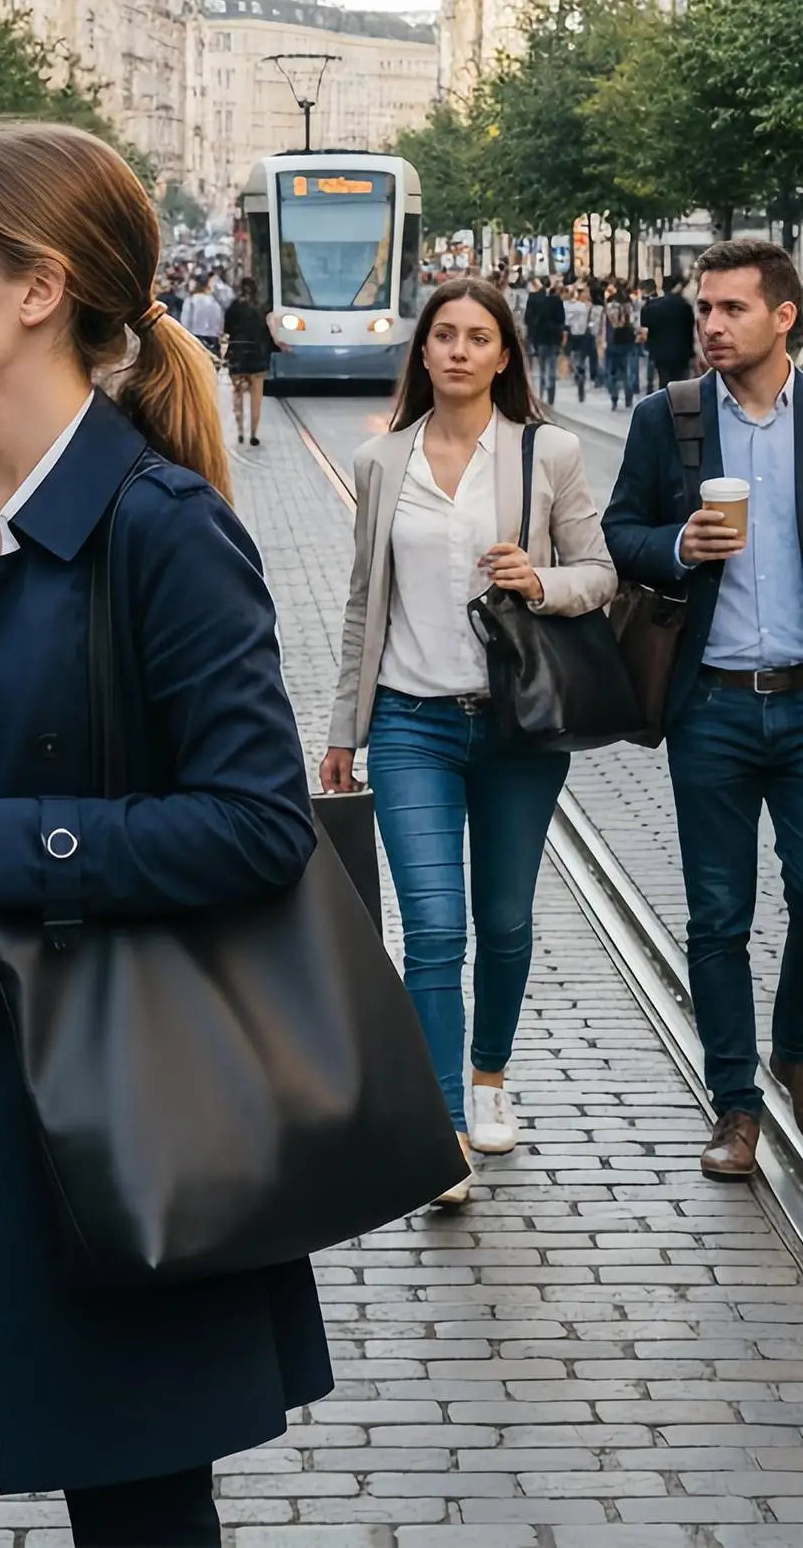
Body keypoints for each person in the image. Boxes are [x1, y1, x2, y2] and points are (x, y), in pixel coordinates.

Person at [0, 118, 331, 1548]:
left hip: (108, 1104)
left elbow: (258, 825)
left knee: (142, 1524)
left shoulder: (157, 528)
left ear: (37, 290)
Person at [322, 276, 616, 1203]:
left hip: (519, 726)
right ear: (422, 352)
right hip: (412, 720)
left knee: (506, 921)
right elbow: (365, 602)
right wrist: (343, 727)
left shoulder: (547, 452)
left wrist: (538, 581)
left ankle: (489, 1077)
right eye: (441, 335)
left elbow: (600, 575)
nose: (455, 350)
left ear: (502, 354)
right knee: (435, 929)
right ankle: (443, 1124)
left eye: (475, 337)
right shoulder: (383, 462)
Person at [603, 239, 803, 1179]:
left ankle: (793, 1052)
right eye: (705, 307)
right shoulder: (669, 419)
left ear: (783, 317)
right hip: (711, 707)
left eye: (730, 309)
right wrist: (677, 543)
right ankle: (735, 1106)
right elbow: (619, 533)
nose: (710, 325)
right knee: (719, 915)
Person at [222, 275, 274, 446]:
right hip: (257, 357)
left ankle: (240, 432)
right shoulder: (262, 309)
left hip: (237, 354)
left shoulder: (233, 307)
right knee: (256, 398)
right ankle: (253, 434)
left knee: (237, 394)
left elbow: (226, 329)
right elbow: (268, 334)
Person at [641, 273, 697, 390]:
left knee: (663, 380)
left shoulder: (652, 306)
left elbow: (645, 326)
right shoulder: (685, 306)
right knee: (680, 383)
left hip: (659, 352)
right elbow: (691, 328)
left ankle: (665, 404)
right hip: (682, 352)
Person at [523, 276, 564, 403]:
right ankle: (551, 391)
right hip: (553, 337)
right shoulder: (557, 301)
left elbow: (528, 319)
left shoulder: (533, 299)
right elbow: (562, 319)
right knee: (552, 364)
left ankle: (541, 391)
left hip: (540, 337)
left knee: (541, 365)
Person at [604, 283, 638, 412]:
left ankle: (614, 397)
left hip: (613, 341)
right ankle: (628, 397)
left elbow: (606, 325)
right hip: (628, 341)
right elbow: (635, 323)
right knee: (626, 371)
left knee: (612, 371)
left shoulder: (609, 307)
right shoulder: (630, 306)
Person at [180, 274, 223, 357]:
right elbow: (219, 323)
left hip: (194, 339)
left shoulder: (190, 301)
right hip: (212, 340)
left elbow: (184, 322)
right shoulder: (214, 303)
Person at [562, 283, 591, 401]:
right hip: (583, 335)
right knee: (581, 356)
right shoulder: (584, 307)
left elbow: (567, 322)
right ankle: (581, 371)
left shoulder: (570, 307)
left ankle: (577, 373)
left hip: (572, 335)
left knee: (572, 356)